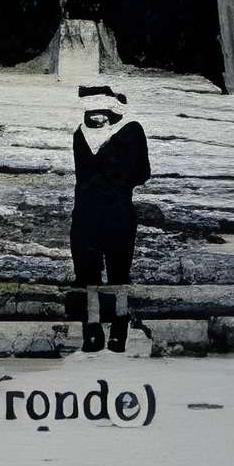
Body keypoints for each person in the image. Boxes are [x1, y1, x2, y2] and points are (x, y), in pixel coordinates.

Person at [67, 84, 151, 353]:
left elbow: (141, 172)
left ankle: (107, 330)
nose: (95, 116)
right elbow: (142, 173)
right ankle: (103, 330)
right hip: (99, 212)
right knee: (100, 274)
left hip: (103, 212)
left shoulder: (123, 132)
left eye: (98, 110)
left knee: (107, 274)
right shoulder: (87, 135)